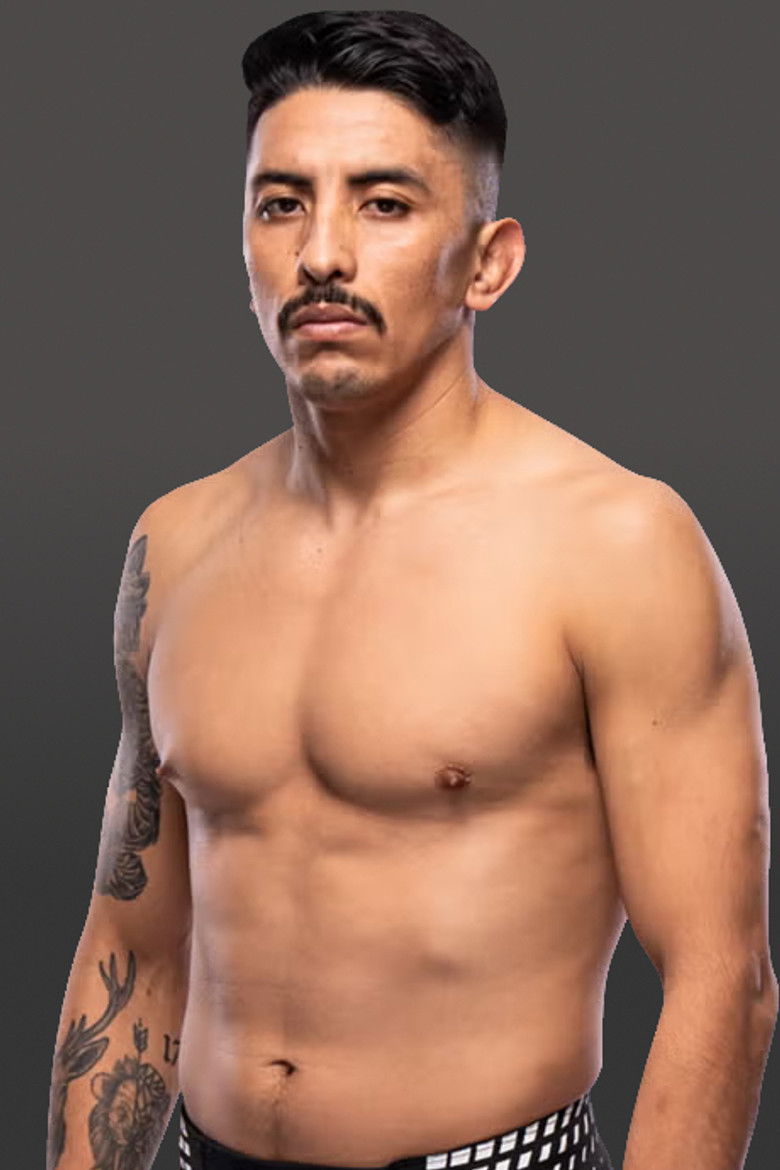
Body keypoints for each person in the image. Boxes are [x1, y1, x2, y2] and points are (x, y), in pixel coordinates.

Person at [47, 11, 777, 1170]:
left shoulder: (618, 544)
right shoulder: (174, 544)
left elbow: (720, 979)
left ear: (489, 262)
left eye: (383, 204)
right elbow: (131, 942)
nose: (321, 254)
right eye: (281, 203)